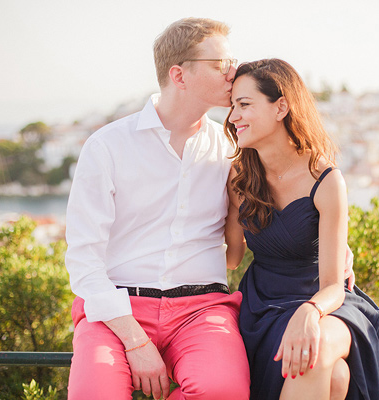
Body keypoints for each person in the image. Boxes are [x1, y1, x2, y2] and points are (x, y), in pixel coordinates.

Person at [64, 18, 250, 400]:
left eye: (234, 61)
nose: (235, 72)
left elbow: (287, 198)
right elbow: (84, 260)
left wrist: (331, 244)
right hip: (115, 309)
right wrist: (135, 340)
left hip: (203, 310)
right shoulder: (106, 147)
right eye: (221, 63)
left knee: (223, 391)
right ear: (179, 75)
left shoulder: (233, 148)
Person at [224, 59, 379, 400]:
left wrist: (310, 311)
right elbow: (231, 258)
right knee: (337, 377)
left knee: (314, 354)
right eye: (232, 106)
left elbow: (333, 286)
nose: (233, 116)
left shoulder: (326, 180)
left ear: (281, 106)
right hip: (264, 309)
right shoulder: (238, 179)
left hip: (328, 304)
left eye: (245, 105)